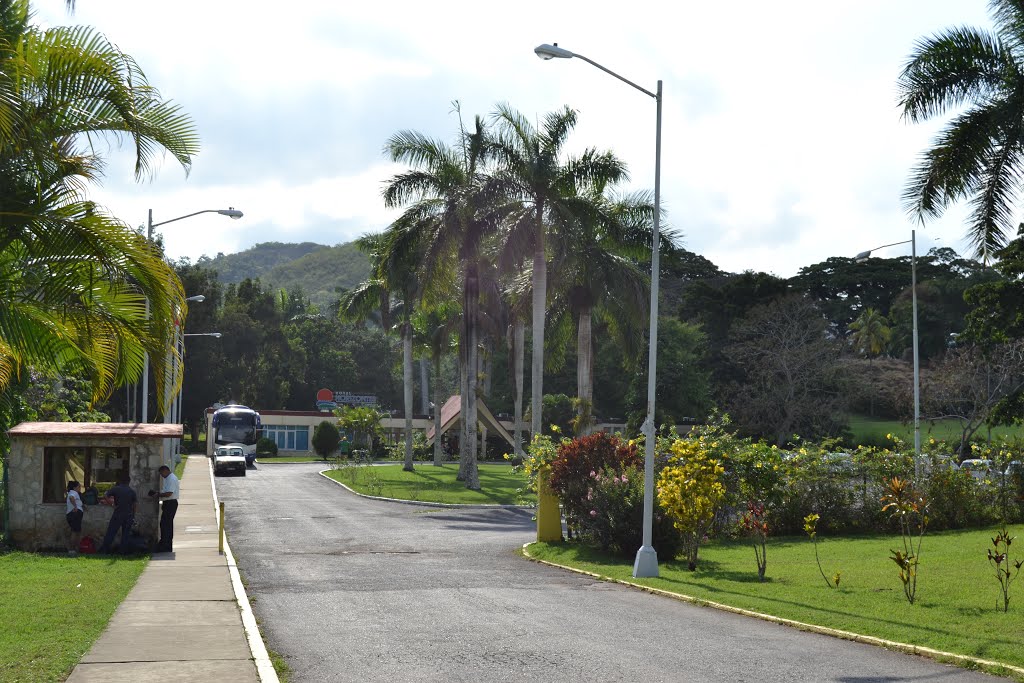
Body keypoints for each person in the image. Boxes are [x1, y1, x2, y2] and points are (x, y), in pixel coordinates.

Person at [99, 475, 137, 554]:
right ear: (129, 482)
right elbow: (135, 505)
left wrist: (112, 504)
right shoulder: (131, 491)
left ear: (120, 481)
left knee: (111, 532)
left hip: (118, 513)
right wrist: (133, 515)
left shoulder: (116, 489)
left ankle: (105, 550)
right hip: (128, 514)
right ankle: (123, 551)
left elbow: (105, 495)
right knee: (126, 534)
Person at [149, 465, 179, 553]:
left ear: (165, 470)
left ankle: (166, 545)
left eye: (162, 473)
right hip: (168, 503)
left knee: (166, 525)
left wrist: (158, 495)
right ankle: (165, 544)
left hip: (171, 503)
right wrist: (159, 493)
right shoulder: (168, 479)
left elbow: (169, 493)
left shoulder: (171, 479)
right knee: (165, 524)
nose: (162, 475)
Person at [65, 480, 84, 556]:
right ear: (75, 487)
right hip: (74, 514)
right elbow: (71, 498)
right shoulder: (73, 492)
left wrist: (81, 505)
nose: (80, 488)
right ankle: (72, 549)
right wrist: (75, 507)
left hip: (73, 514)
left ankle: (75, 549)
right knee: (75, 531)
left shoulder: (73, 493)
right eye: (79, 486)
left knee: (77, 531)